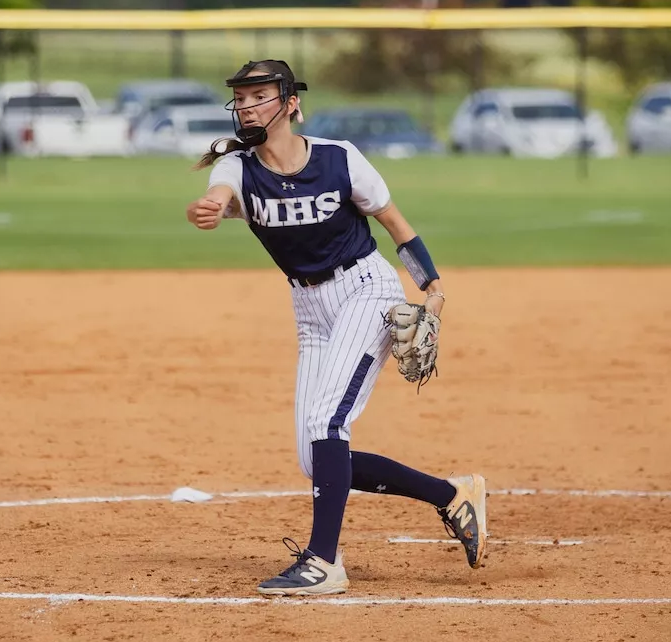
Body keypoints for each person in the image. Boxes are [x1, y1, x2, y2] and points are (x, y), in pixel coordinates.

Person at [185, 59, 488, 596]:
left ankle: (323, 562)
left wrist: (434, 290)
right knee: (316, 456)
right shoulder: (236, 167)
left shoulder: (339, 159)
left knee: (329, 424)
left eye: (261, 95)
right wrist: (210, 208)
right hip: (309, 310)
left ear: (291, 103)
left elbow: (397, 227)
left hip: (365, 290)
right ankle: (452, 495)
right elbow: (220, 192)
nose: (248, 106)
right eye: (242, 97)